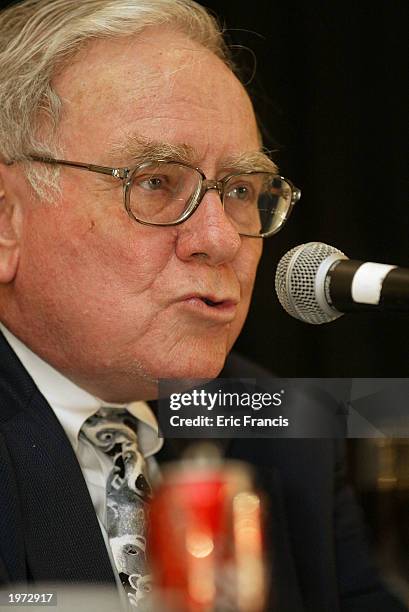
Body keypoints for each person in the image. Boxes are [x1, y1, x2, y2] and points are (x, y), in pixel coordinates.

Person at [0, 1, 406, 611]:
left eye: (241, 190)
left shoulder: (280, 427)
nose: (220, 239)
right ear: (7, 222)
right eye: (156, 182)